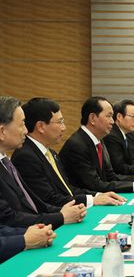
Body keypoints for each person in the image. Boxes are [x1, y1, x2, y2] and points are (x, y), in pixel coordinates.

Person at [12, 98, 125, 208]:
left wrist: (98, 195)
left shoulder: (51, 153)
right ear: (41, 126)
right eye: (60, 122)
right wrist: (92, 200)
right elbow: (49, 198)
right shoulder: (25, 156)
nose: (64, 128)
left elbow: (68, 188)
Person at [0, 96, 86, 229]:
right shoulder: (23, 156)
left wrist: (63, 212)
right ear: (2, 132)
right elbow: (8, 218)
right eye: (22, 124)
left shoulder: (6, 163)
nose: (26, 130)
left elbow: (33, 202)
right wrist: (61, 217)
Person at [59, 97, 134, 193]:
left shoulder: (99, 140)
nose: (112, 122)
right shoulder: (78, 145)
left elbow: (110, 176)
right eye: (109, 116)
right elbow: (94, 184)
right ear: (92, 118)